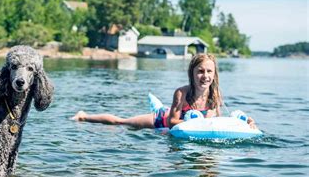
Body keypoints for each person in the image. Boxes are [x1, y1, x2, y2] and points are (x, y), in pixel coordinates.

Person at [71, 53, 257, 129]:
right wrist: (192, 121)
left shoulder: (215, 96)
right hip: (162, 119)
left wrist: (245, 123)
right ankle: (84, 116)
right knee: (122, 123)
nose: (205, 76)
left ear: (214, 74)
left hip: (190, 127)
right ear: (191, 74)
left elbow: (220, 121)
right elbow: (172, 121)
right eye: (200, 71)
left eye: (209, 71)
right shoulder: (181, 93)